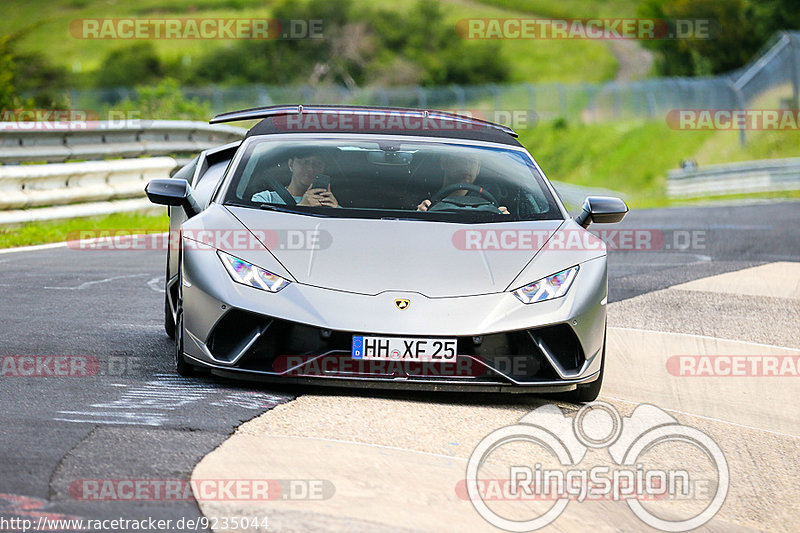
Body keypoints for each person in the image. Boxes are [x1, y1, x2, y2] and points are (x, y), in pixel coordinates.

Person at [417, 154, 509, 214]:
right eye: (462, 160)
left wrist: (504, 219)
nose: (467, 166)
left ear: (478, 169)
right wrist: (419, 214)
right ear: (444, 163)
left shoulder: (490, 202)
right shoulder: (421, 194)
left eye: (472, 161)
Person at [252, 149, 339, 207]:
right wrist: (302, 207)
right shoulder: (265, 199)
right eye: (305, 162)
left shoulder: (330, 203)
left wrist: (335, 214)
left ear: (323, 169)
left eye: (318, 164)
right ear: (291, 165)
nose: (311, 169)